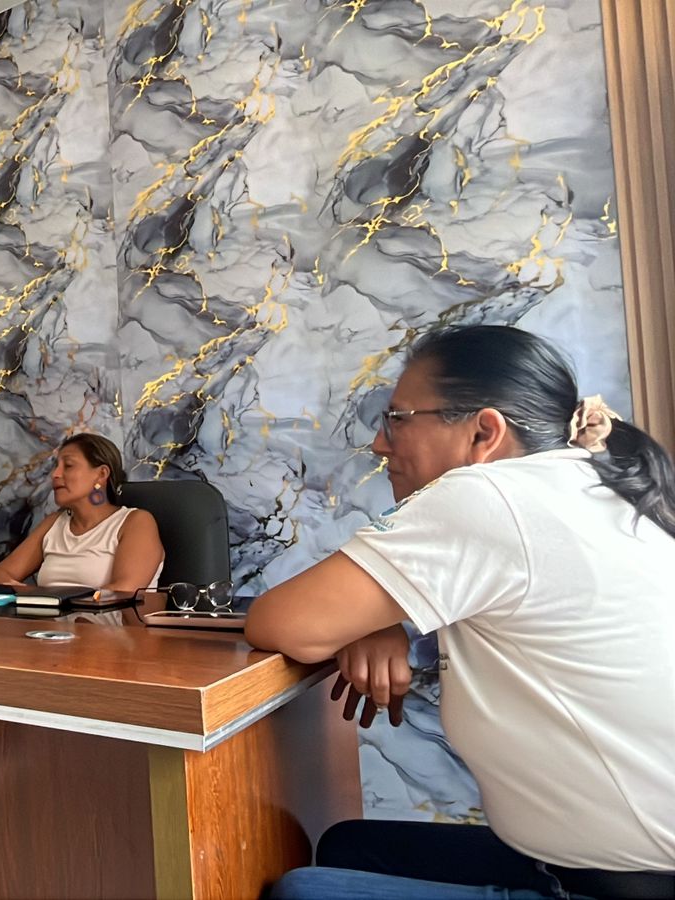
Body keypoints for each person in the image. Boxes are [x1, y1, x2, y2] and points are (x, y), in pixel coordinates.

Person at [246, 326, 675, 899]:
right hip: (602, 860)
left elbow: (280, 623)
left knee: (304, 892)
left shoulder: (490, 494)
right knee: (349, 844)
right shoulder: (593, 482)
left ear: (484, 432)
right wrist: (382, 620)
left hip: (623, 883)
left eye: (397, 419)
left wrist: (372, 621)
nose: (379, 444)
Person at [0, 433, 164, 592]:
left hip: (113, 620)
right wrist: (38, 597)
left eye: (68, 465)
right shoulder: (54, 523)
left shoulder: (136, 522)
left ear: (101, 474)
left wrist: (54, 600)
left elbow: (124, 591)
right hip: (51, 620)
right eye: (56, 466)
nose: (55, 474)